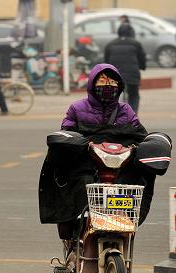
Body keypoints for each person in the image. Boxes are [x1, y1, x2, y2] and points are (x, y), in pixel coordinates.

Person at [39, 63, 153, 240]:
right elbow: (66, 135)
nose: (108, 85)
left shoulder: (126, 111)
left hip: (118, 168)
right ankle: (76, 235)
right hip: (86, 166)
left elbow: (141, 137)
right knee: (80, 185)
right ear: (92, 84)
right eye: (102, 80)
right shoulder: (77, 108)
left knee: (131, 187)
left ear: (119, 86)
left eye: (112, 81)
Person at [104, 24, 146, 113]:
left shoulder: (110, 44)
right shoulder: (136, 44)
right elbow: (142, 58)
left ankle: (113, 116)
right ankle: (133, 116)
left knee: (112, 97)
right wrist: (142, 66)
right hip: (132, 76)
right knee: (134, 95)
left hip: (114, 76)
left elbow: (106, 61)